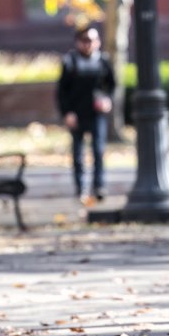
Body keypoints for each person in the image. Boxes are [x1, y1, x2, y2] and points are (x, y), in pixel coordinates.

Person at [57, 25, 115, 203]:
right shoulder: (70, 62)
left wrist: (106, 100)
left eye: (92, 40)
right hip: (77, 114)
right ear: (78, 42)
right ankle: (80, 188)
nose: (89, 44)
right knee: (78, 154)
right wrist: (67, 113)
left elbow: (111, 85)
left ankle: (99, 186)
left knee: (98, 151)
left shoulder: (103, 61)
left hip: (96, 114)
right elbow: (61, 91)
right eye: (85, 41)